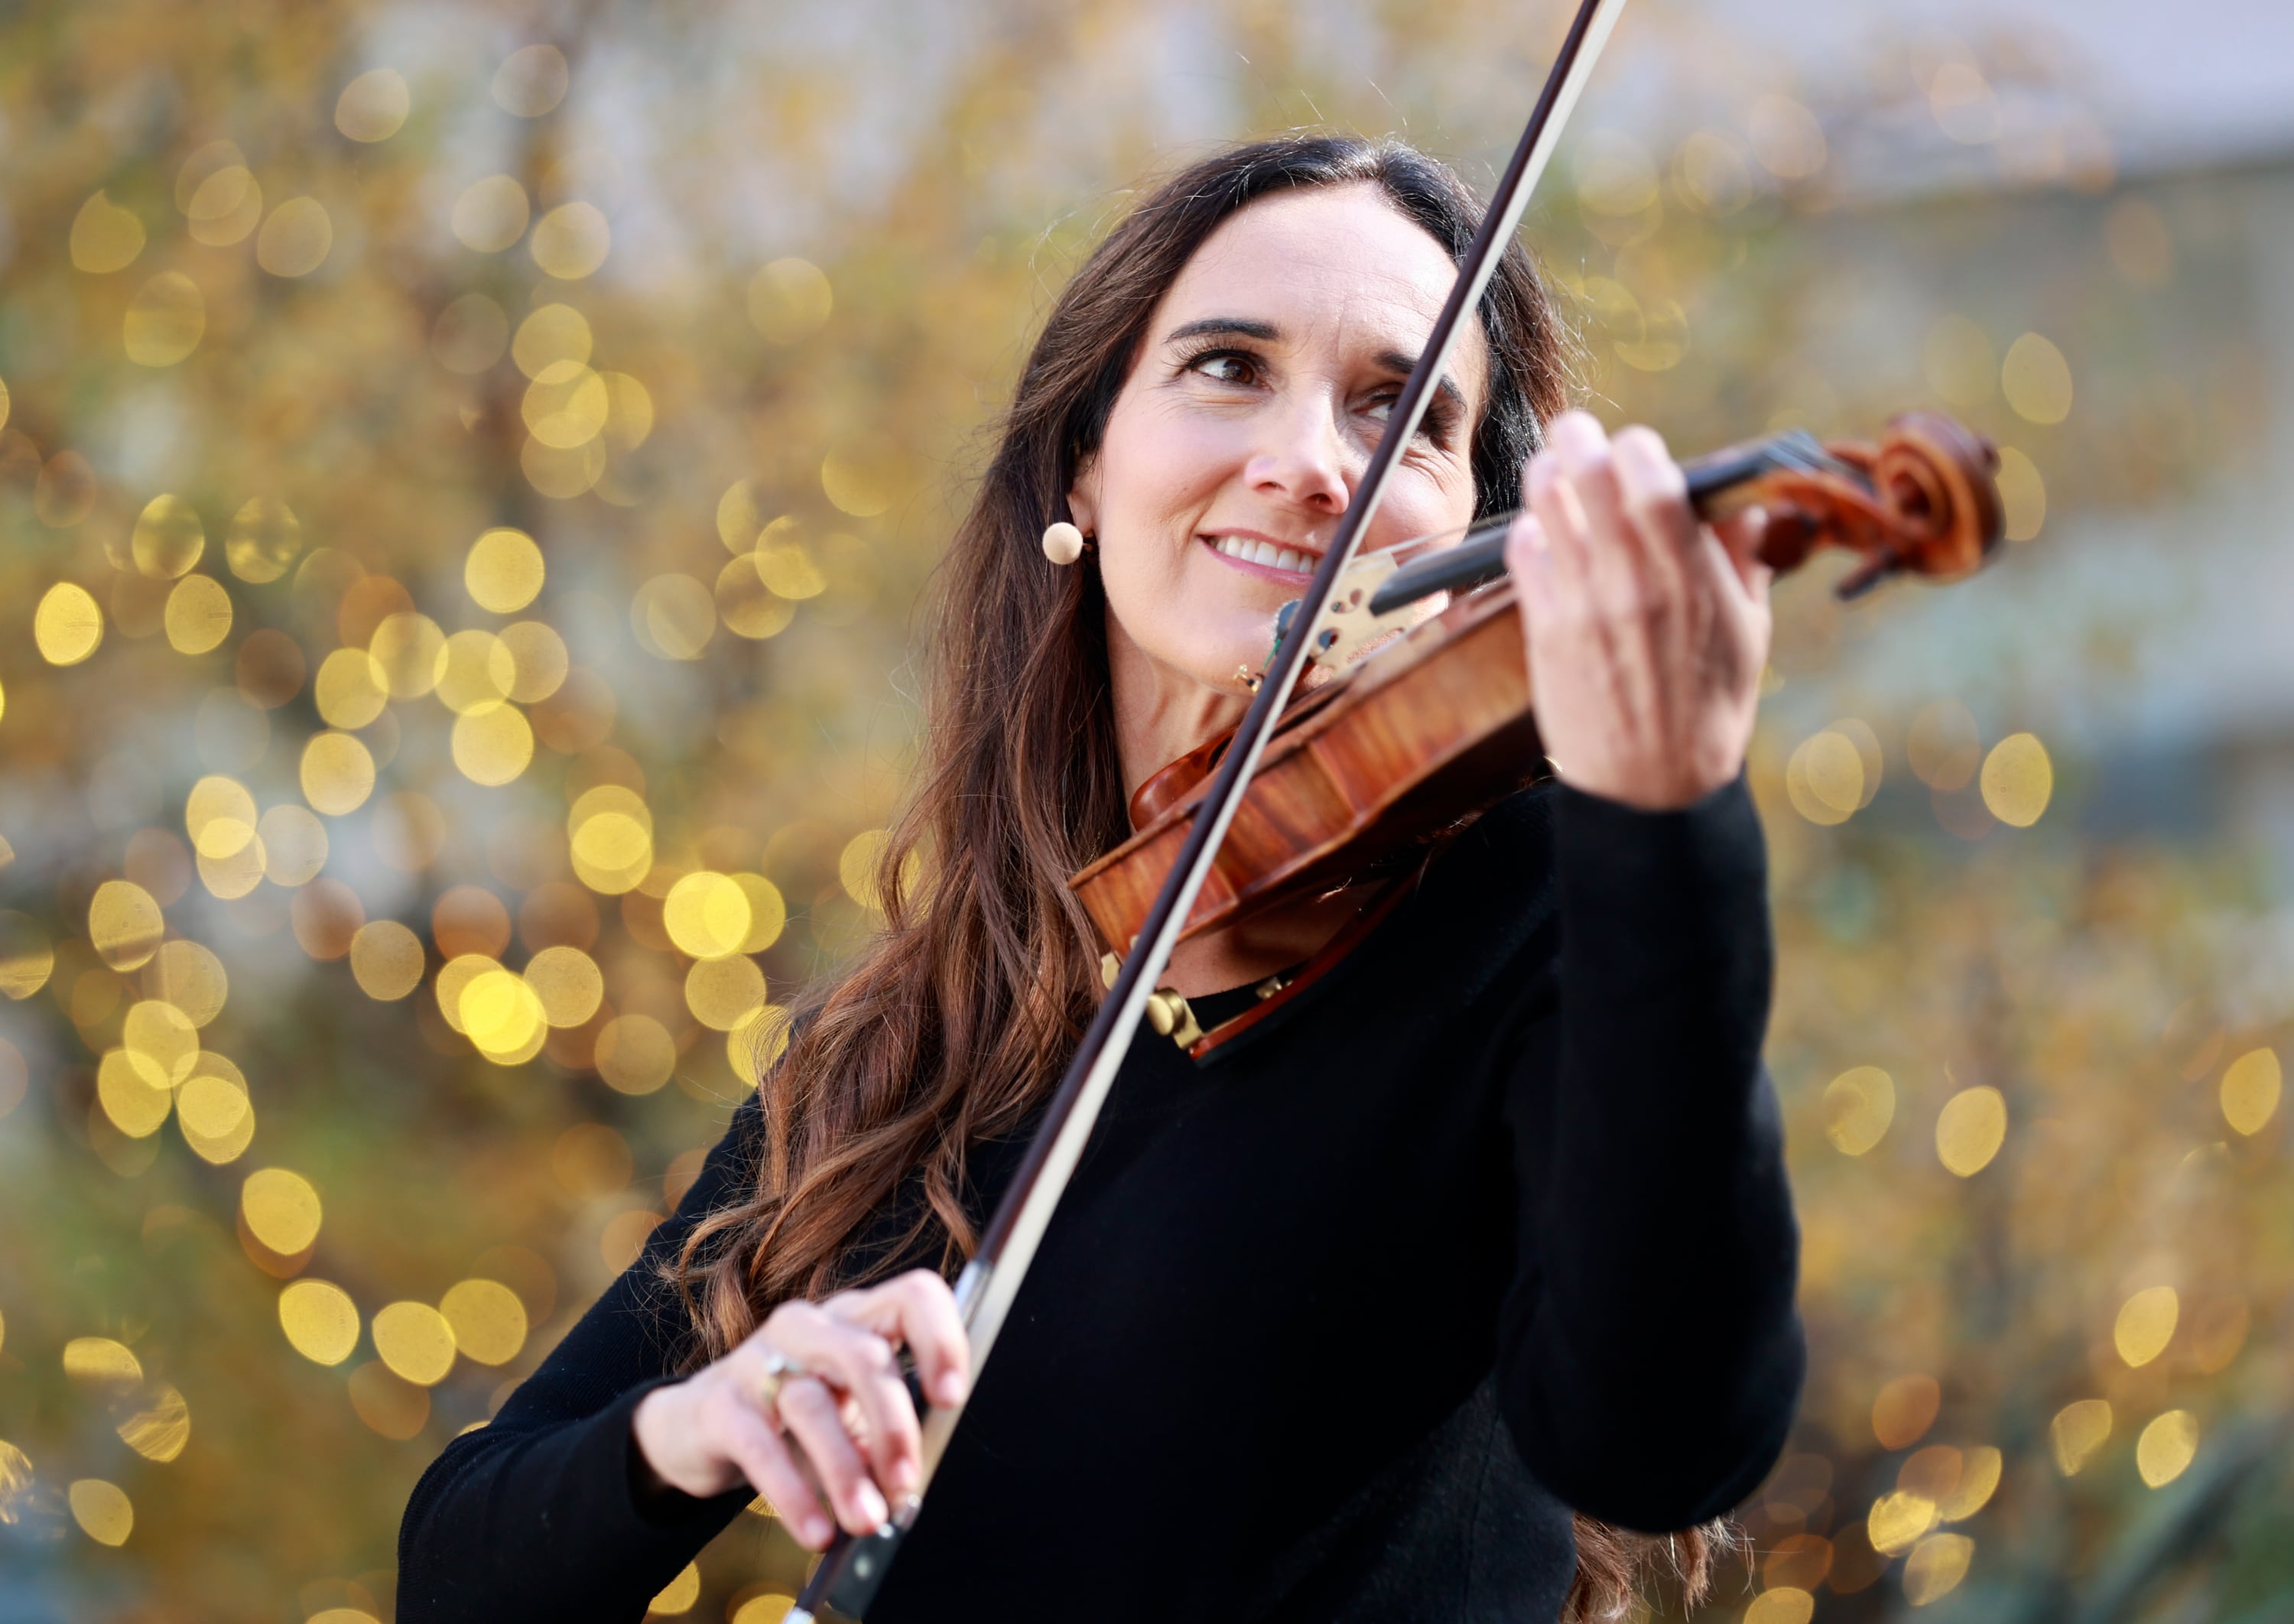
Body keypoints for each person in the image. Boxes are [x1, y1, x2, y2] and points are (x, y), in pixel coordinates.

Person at [398, 134, 1803, 1623]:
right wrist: (695, 1426)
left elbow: (1667, 1445)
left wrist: (1666, 823)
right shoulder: (923, 1036)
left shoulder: (1540, 913)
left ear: (1472, 525)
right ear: (1087, 457)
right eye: (1226, 368)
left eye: (1402, 409)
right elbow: (462, 1570)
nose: (1316, 464)